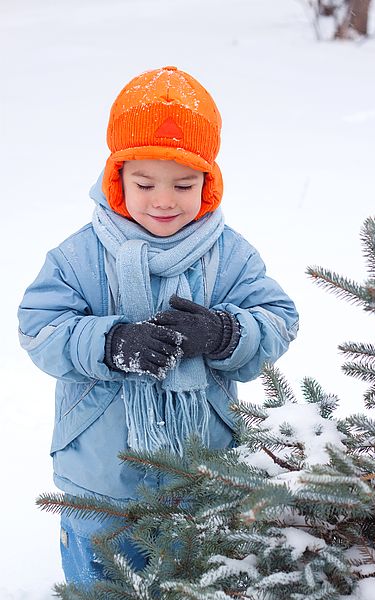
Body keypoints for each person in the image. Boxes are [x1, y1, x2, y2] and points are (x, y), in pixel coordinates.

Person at [17, 66, 299, 585]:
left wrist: (223, 334)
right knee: (103, 587)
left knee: (198, 585)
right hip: (100, 475)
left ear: (208, 184)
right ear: (117, 178)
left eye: (184, 184)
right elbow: (39, 327)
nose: (164, 201)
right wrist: (110, 342)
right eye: (145, 183)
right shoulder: (80, 254)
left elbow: (278, 318)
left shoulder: (228, 254)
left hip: (202, 472)